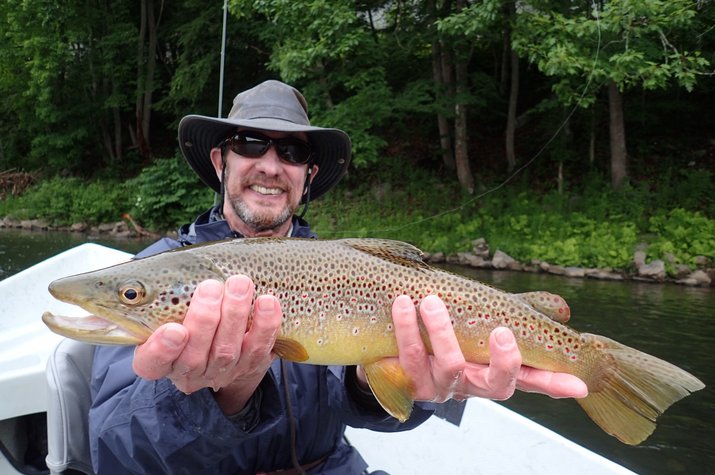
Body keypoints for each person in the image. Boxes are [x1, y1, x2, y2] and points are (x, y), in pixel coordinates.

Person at [88, 80, 587, 474]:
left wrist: (393, 385)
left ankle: (594, 363)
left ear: (307, 176)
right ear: (221, 161)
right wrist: (209, 395)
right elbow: (113, 450)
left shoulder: (342, 269)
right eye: (251, 143)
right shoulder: (153, 276)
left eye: (293, 153)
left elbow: (366, 406)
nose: (270, 164)